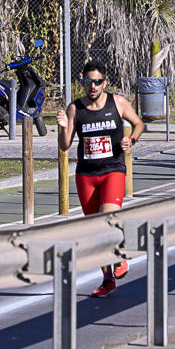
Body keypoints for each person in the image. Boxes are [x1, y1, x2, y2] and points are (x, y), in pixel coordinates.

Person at [56, 62, 145, 297]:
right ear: (83, 83)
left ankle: (118, 256)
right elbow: (65, 146)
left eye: (97, 81)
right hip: (86, 174)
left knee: (108, 219)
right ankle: (107, 278)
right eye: (88, 82)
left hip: (113, 169)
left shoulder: (118, 102)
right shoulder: (75, 108)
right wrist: (63, 127)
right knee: (95, 229)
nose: (92, 86)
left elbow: (138, 123)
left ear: (105, 82)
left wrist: (131, 140)